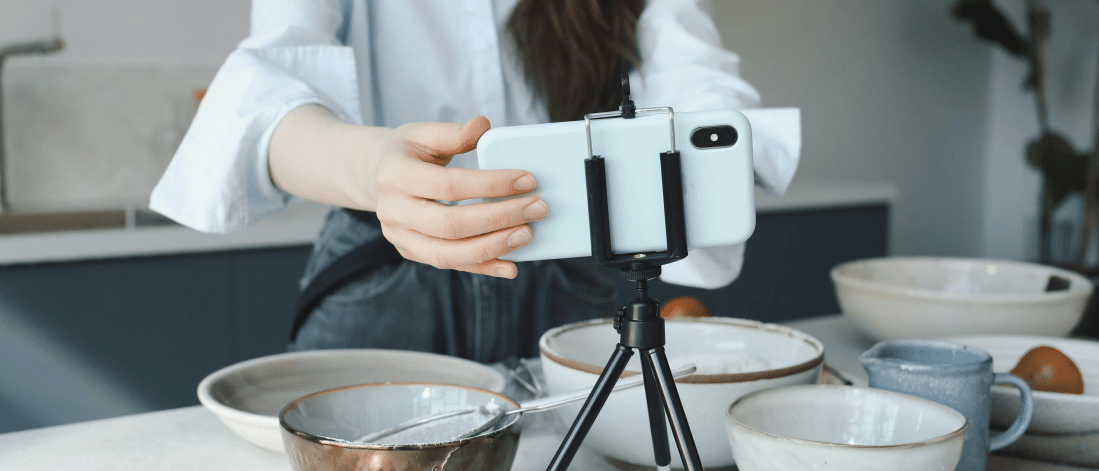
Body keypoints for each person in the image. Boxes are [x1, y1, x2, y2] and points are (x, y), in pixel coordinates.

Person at [150, 0, 800, 364]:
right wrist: (377, 169)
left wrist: (704, 148)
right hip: (386, 273)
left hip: (575, 276)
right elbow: (262, 94)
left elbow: (700, 85)